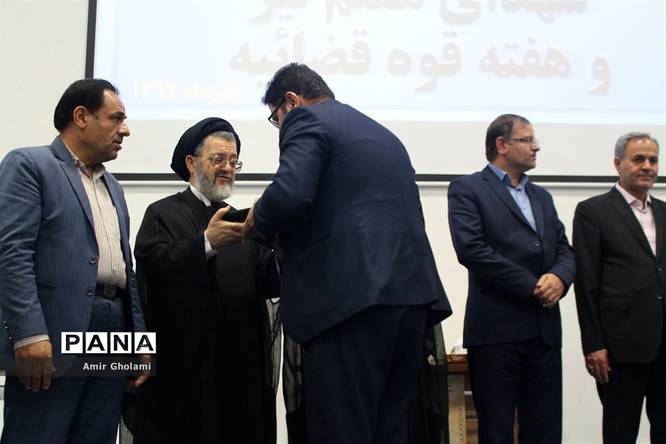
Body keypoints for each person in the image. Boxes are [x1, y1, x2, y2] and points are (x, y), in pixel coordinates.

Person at [243, 63, 451, 443]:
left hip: (348, 303)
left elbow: (290, 195)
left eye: (276, 118)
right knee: (389, 428)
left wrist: (257, 216)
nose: (279, 126)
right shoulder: (383, 134)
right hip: (410, 299)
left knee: (341, 429)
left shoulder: (306, 119)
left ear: (291, 101)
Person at [0, 78, 148, 443]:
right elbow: (12, 253)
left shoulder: (114, 187)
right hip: (53, 329)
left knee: (97, 435)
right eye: (116, 118)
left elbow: (125, 269)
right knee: (39, 434)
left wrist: (140, 342)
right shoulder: (30, 164)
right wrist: (29, 334)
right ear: (81, 117)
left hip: (112, 329)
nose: (125, 130)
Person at [131, 118, 281, 444]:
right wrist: (206, 243)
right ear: (191, 162)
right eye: (218, 159)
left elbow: (268, 282)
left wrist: (283, 248)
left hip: (240, 371)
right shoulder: (162, 213)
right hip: (185, 371)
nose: (227, 168)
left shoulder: (242, 221)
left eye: (233, 161)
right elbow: (154, 269)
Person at [447, 113, 575, 444]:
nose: (536, 147)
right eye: (527, 140)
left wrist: (559, 278)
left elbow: (564, 249)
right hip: (496, 332)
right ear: (501, 145)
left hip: (544, 332)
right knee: (497, 431)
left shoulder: (541, 196)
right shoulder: (468, 189)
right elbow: (472, 250)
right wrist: (533, 286)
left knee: (546, 430)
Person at [573, 132, 665, 443]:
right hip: (620, 347)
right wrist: (593, 344)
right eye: (638, 159)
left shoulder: (664, 212)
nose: (647, 166)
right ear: (618, 163)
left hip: (664, 344)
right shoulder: (593, 212)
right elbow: (586, 283)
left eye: (653, 160)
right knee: (620, 432)